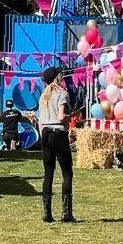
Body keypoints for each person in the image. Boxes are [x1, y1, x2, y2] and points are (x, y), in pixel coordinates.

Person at [38, 66, 75, 223]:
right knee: (67, 173)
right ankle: (66, 212)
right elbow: (61, 117)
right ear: (57, 78)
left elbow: (40, 120)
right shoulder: (62, 94)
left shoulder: (43, 96)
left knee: (48, 174)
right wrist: (71, 116)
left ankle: (47, 212)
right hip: (58, 133)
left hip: (46, 133)